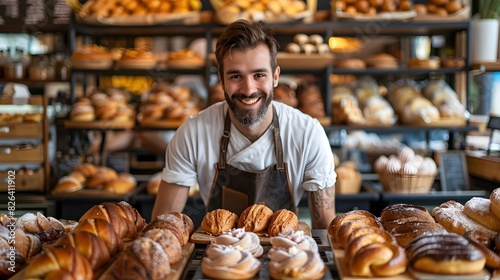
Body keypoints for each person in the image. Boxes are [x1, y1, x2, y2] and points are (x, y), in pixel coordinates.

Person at [152, 19, 336, 229]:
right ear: (221, 80)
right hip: (218, 256)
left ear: (275, 77)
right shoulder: (193, 133)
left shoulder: (308, 133)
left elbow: (324, 228)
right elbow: (163, 224)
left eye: (259, 75)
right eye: (236, 76)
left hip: (284, 255)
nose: (248, 89)